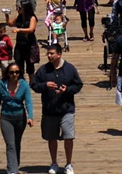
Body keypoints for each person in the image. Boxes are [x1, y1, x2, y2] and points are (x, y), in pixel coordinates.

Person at [31, 44, 83, 174]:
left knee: (68, 136)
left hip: (67, 109)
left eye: (52, 53)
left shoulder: (70, 69)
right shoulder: (43, 70)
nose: (49, 56)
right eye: (48, 53)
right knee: (51, 137)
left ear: (59, 54)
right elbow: (34, 85)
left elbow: (78, 85)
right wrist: (45, 85)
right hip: (49, 109)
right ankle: (54, 163)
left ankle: (68, 164)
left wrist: (67, 90)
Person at [0, 62, 35, 174]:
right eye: (11, 72)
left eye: (17, 72)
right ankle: (12, 171)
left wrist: (30, 116)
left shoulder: (24, 85)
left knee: (17, 143)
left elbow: (28, 102)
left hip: (20, 118)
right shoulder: (2, 84)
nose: (14, 74)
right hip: (6, 118)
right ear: (8, 73)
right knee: (10, 144)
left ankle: (14, 165)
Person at [9, 2, 40, 81]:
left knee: (30, 64)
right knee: (18, 62)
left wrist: (19, 30)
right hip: (19, 43)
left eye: (20, 8)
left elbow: (31, 29)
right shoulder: (18, 16)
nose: (18, 10)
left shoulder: (32, 18)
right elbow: (10, 24)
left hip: (29, 43)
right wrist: (6, 15)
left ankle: (31, 81)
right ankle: (21, 81)